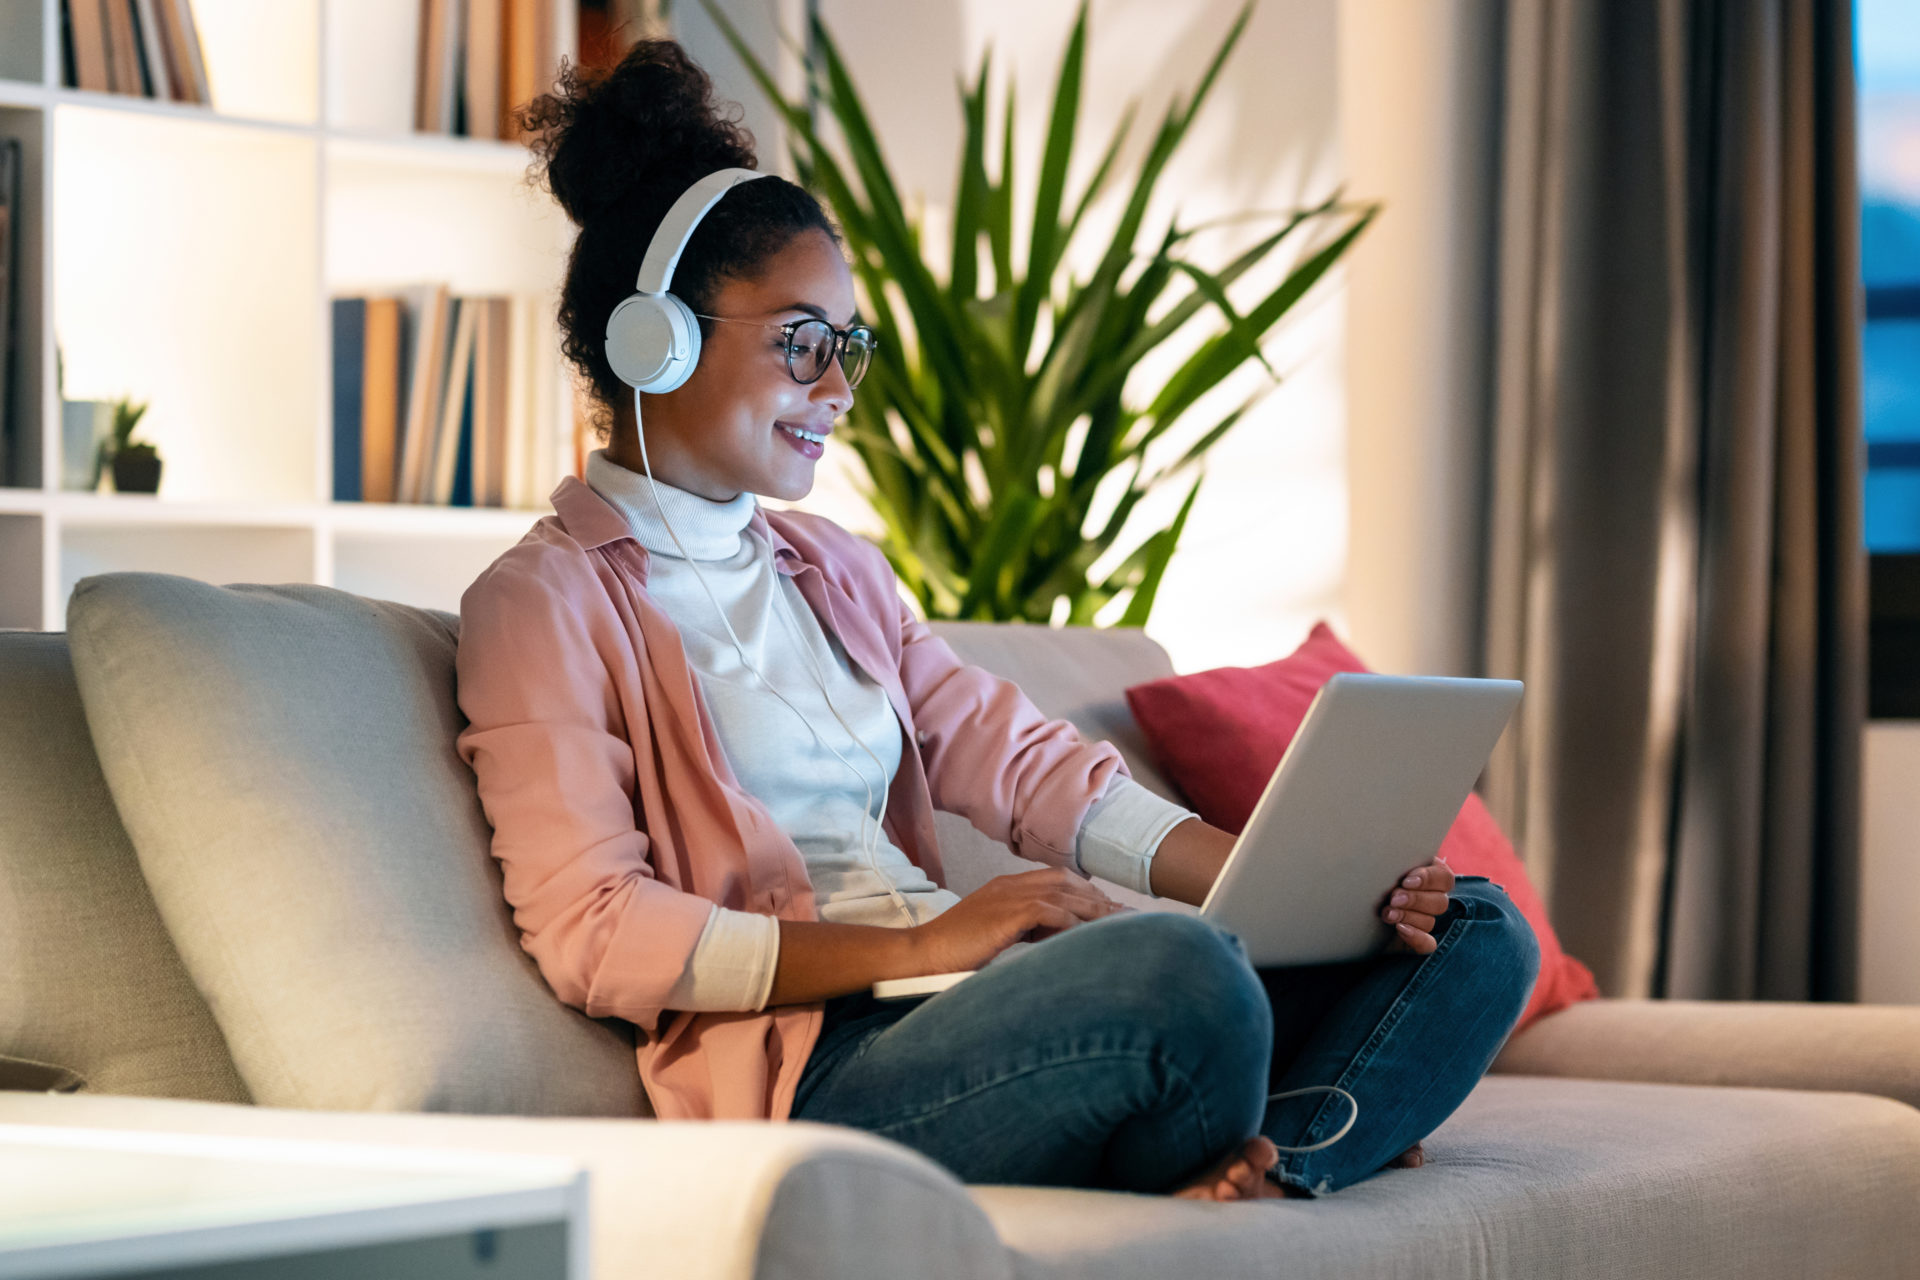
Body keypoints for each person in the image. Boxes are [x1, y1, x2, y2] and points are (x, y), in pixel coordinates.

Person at [453, 38, 1541, 1202]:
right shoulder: (547, 600)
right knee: (1183, 977)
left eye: (849, 350)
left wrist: (1291, 886)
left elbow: (1026, 769)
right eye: (802, 343)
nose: (837, 389)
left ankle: (1283, 1155)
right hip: (834, 1068)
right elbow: (600, 931)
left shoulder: (836, 568)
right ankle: (1315, 1117)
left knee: (1474, 930)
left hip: (989, 1004)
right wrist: (924, 946)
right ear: (650, 338)